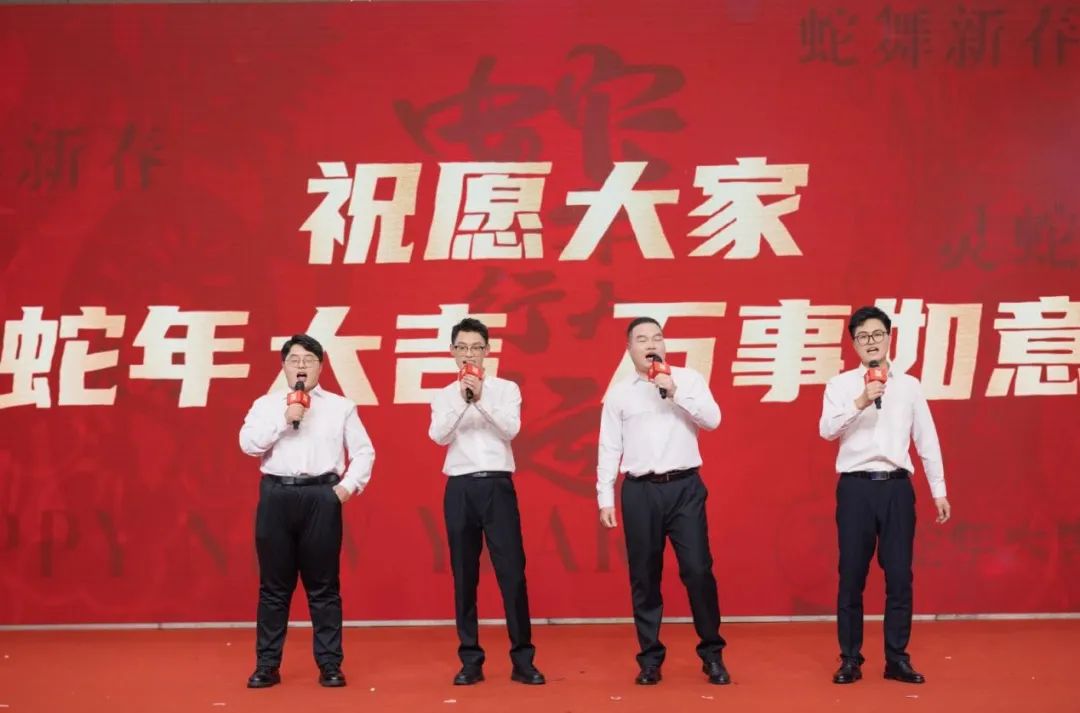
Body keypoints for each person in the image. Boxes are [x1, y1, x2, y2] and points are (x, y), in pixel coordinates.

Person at [819, 306, 952, 685]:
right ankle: (850, 659)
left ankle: (897, 658)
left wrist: (938, 489)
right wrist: (861, 401)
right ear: (854, 344)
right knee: (851, 575)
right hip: (856, 488)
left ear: (889, 338)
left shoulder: (909, 386)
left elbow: (926, 438)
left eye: (877, 334)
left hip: (896, 488)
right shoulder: (840, 385)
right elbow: (826, 430)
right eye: (862, 337)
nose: (871, 342)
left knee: (899, 576)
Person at [596, 317, 731, 686]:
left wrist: (674, 391)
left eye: (657, 338)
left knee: (698, 571)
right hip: (639, 491)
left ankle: (712, 655)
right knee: (644, 576)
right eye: (642, 339)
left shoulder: (688, 380)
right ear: (629, 349)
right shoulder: (620, 393)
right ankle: (650, 659)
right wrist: (605, 496)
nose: (651, 344)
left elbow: (713, 420)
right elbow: (609, 446)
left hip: (685, 487)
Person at [239, 334, 375, 688]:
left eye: (309, 360)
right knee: (273, 588)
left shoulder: (341, 406)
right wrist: (286, 419)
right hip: (276, 495)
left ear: (321, 366)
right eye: (294, 360)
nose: (301, 366)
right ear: (283, 366)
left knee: (324, 587)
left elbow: (364, 451)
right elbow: (248, 444)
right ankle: (267, 665)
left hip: (321, 497)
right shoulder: (266, 405)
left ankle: (330, 664)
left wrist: (345, 488)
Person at [428, 318, 545, 686]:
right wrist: (464, 402)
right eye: (462, 348)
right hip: (460, 487)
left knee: (512, 574)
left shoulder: (506, 389)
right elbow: (438, 436)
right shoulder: (444, 395)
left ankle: (523, 659)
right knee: (465, 576)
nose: (469, 354)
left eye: (476, 347)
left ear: (487, 351)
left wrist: (480, 399)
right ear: (452, 352)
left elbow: (511, 429)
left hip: (497, 486)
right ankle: (470, 660)